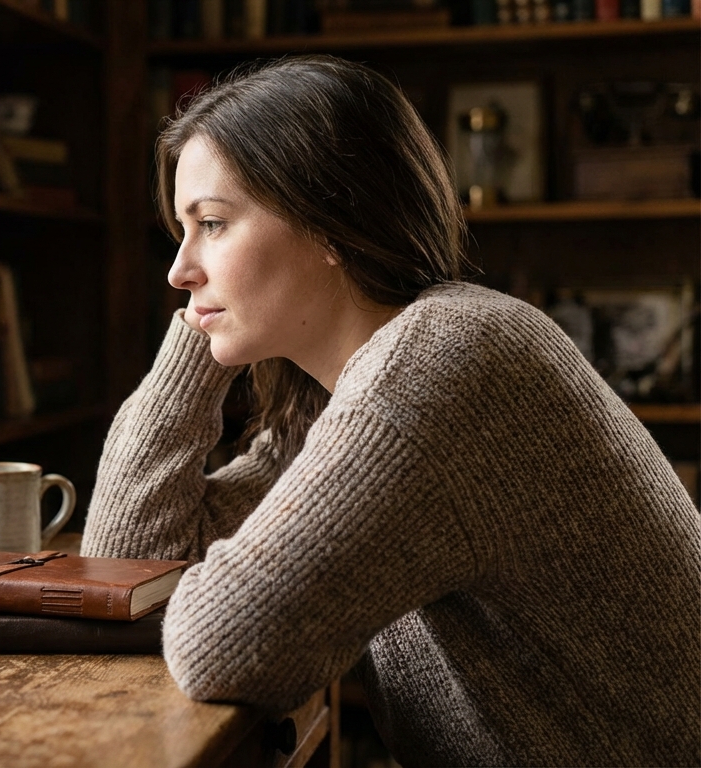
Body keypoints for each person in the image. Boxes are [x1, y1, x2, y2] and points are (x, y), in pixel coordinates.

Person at [80, 55, 700, 766]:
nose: (178, 270)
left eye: (213, 224)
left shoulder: (441, 366)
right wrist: (203, 331)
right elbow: (125, 571)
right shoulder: (344, 391)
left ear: (330, 223)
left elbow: (219, 647)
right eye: (182, 233)